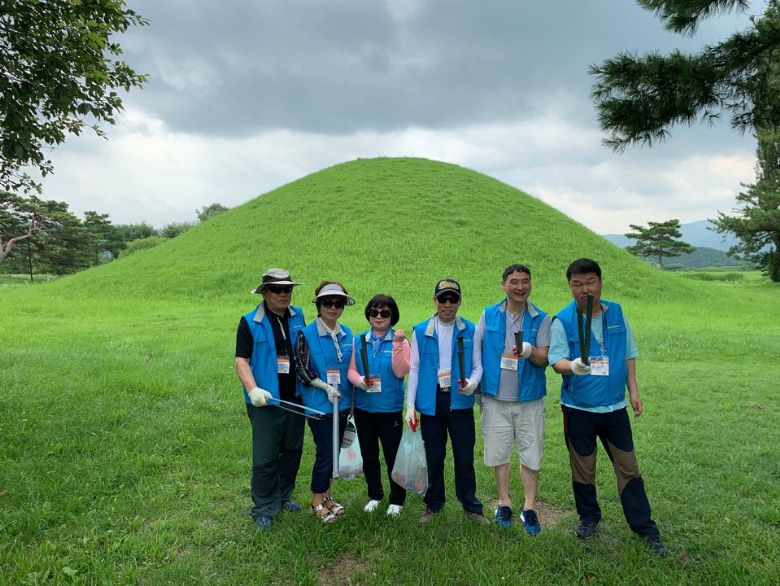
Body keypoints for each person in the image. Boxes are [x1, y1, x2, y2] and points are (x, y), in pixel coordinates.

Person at [549, 258, 669, 556]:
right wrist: (572, 365)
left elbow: (628, 354)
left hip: (615, 409)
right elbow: (556, 361)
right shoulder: (563, 319)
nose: (584, 290)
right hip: (578, 409)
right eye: (577, 285)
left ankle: (644, 527)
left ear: (600, 283)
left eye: (589, 282)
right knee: (583, 468)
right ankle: (589, 517)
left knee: (628, 467)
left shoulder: (616, 312)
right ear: (570, 287)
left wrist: (634, 392)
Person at [469, 264, 551, 534]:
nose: (520, 286)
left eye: (525, 281)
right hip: (496, 398)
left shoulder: (541, 318)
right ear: (503, 285)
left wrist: (529, 351)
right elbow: (477, 353)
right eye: (514, 281)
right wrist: (478, 392)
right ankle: (504, 501)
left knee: (531, 452)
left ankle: (529, 507)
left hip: (529, 399)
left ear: (531, 285)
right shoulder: (488, 315)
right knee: (498, 452)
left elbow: (545, 358)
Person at [405, 279, 489, 524]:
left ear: (460, 301)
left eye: (453, 299)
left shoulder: (470, 329)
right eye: (443, 299)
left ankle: (471, 506)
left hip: (460, 400)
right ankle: (433, 504)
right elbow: (415, 369)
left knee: (464, 456)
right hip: (432, 402)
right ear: (435, 301)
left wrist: (472, 384)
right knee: (434, 455)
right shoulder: (421, 330)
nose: (448, 304)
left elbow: (477, 366)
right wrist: (410, 406)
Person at [235, 268, 306, 531]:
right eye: (277, 289)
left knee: (292, 452)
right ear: (265, 292)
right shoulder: (250, 321)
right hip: (266, 402)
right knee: (265, 456)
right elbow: (241, 360)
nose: (283, 294)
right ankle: (264, 507)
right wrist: (253, 389)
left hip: (296, 399)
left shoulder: (298, 315)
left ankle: (284, 496)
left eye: (287, 289)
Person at [294, 281, 355, 524]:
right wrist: (325, 387)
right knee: (325, 452)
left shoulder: (347, 333)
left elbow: (351, 368)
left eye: (338, 303)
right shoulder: (306, 334)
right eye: (327, 303)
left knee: (335, 451)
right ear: (318, 305)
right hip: (319, 406)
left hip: (343, 405)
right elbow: (302, 369)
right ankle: (317, 499)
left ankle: (328, 494)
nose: (333, 307)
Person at [348, 294, 411, 517]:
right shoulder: (359, 340)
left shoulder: (401, 340)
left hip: (389, 409)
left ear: (392, 315)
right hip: (364, 408)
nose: (379, 316)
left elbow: (401, 371)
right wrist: (360, 382)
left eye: (385, 312)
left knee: (393, 455)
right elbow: (351, 371)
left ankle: (397, 499)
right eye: (374, 312)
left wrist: (396, 345)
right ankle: (375, 494)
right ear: (368, 314)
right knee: (369, 454)